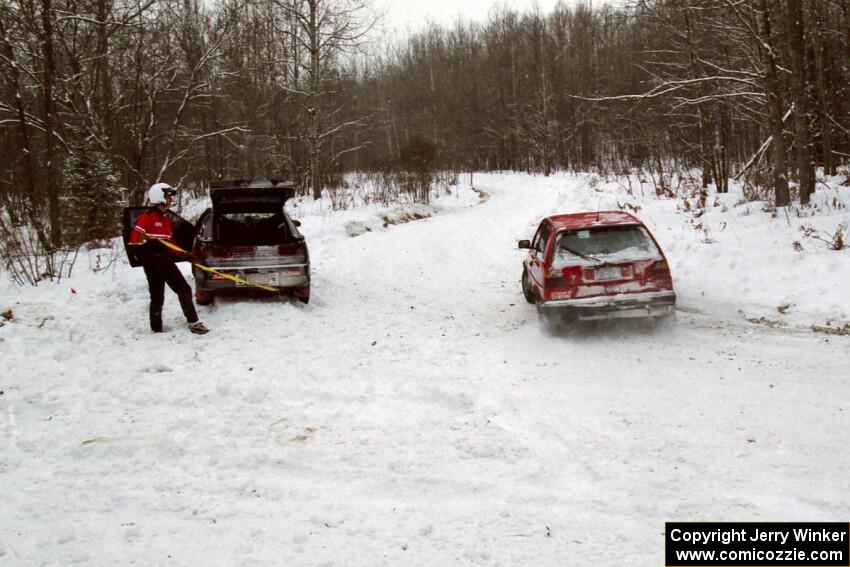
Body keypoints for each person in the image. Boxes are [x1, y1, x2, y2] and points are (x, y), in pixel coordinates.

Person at [129, 182, 210, 334]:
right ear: (159, 197)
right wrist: (142, 238)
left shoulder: (166, 218)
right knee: (172, 292)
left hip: (164, 259)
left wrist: (183, 254)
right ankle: (190, 323)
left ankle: (158, 327)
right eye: (168, 196)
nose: (170, 200)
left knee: (170, 293)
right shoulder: (148, 217)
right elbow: (134, 237)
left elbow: (169, 242)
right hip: (153, 261)